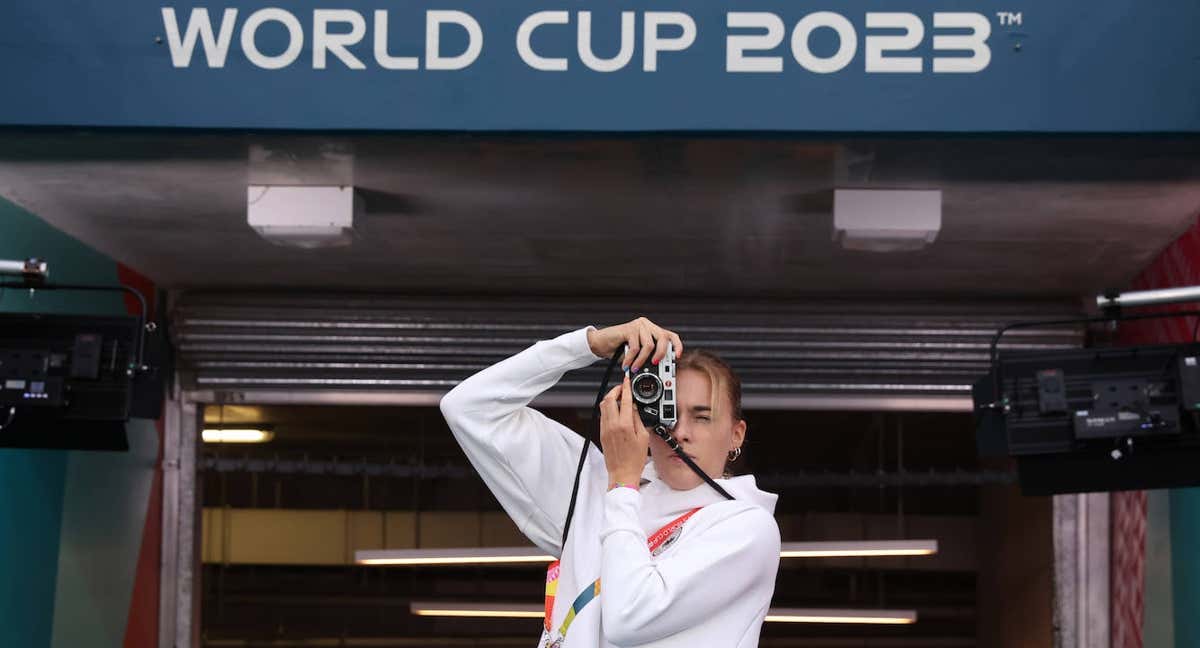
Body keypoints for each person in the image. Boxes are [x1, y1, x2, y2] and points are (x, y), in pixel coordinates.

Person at [440, 317, 780, 648]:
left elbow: (628, 617)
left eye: (702, 417)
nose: (681, 432)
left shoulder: (747, 527)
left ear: (736, 435)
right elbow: (468, 408)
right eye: (667, 414)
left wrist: (622, 485)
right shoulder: (593, 484)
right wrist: (589, 345)